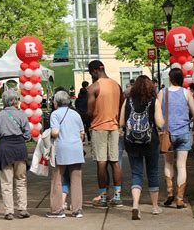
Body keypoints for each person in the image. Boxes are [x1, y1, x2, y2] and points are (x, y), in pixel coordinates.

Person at [120, 75, 164, 219]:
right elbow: (159, 123)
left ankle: (135, 205)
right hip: (151, 142)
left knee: (136, 174)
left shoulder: (127, 101)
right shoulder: (154, 102)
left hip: (132, 143)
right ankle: (155, 207)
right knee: (152, 172)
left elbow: (121, 123)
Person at [157, 68, 194, 209]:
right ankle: (180, 199)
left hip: (167, 133)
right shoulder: (187, 93)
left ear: (170, 78)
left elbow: (157, 114)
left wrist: (159, 128)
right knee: (181, 166)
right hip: (183, 133)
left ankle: (169, 193)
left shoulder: (162, 93)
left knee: (168, 164)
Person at [87, 60, 124, 208]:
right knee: (115, 162)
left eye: (91, 73)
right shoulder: (117, 85)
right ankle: (117, 197)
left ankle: (103, 198)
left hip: (99, 127)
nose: (91, 76)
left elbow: (89, 112)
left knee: (101, 163)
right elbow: (122, 105)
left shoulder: (93, 87)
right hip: (114, 127)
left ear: (95, 71)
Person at [0, 90, 31, 220]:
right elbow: (28, 135)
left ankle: (8, 211)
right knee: (21, 180)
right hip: (20, 148)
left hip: (5, 148)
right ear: (15, 100)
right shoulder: (22, 115)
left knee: (6, 181)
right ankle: (22, 208)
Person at [46, 91, 85, 218]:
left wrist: (49, 133)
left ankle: (56, 210)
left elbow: (56, 132)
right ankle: (77, 210)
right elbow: (82, 134)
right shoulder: (76, 114)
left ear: (56, 102)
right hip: (76, 149)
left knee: (57, 178)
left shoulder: (55, 114)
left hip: (62, 149)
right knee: (76, 180)